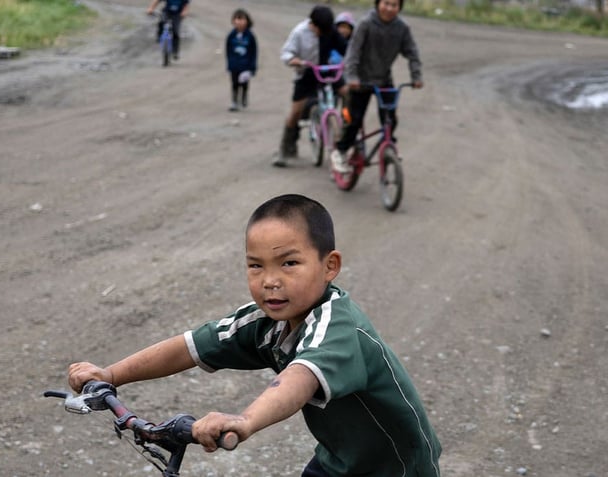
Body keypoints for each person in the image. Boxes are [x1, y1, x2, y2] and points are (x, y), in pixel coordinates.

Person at [67, 194, 442, 477]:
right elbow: (191, 346)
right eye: (255, 266)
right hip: (337, 462)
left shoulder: (337, 324)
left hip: (396, 468)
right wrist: (110, 375)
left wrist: (245, 421)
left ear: (330, 266)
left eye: (289, 263)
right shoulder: (265, 321)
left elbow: (300, 378)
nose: (270, 281)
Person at [330, 0, 423, 174]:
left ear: (399, 7)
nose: (389, 8)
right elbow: (353, 53)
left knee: (390, 119)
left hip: (383, 80)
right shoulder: (366, 24)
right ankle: (340, 151)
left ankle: (389, 146)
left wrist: (416, 76)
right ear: (378, 4)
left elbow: (412, 52)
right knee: (354, 121)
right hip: (360, 81)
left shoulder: (402, 28)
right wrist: (351, 77)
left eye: (394, 5)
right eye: (386, 3)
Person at [273, 6, 348, 167]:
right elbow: (286, 52)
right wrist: (294, 60)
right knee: (296, 112)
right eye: (320, 31)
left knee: (348, 93)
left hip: (326, 70)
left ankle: (348, 127)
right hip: (307, 73)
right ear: (313, 25)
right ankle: (285, 149)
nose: (323, 34)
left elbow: (346, 49)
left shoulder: (330, 31)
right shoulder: (300, 32)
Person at [225, 9, 258, 112]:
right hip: (235, 65)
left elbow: (254, 52)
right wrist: (229, 63)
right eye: (237, 19)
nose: (239, 22)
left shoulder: (250, 36)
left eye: (241, 19)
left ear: (247, 21)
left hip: (245, 65)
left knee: (244, 83)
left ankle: (243, 97)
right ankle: (234, 101)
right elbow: (228, 50)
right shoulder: (231, 35)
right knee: (234, 83)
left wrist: (252, 67)